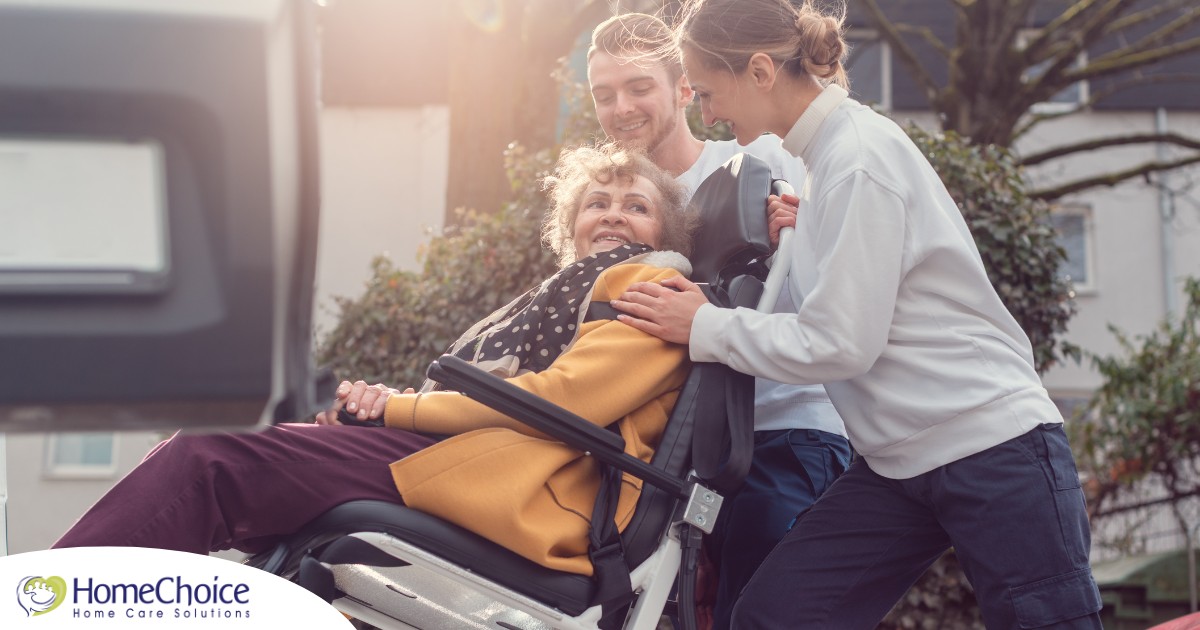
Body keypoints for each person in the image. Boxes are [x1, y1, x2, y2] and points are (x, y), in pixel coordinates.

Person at [610, 1, 1103, 628]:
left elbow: (842, 343)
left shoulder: (857, 158)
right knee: (774, 616)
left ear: (760, 71)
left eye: (708, 93)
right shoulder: (821, 168)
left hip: (990, 445)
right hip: (898, 465)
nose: (707, 115)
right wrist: (804, 227)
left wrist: (703, 325)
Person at [54, 143, 699, 577]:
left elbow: (561, 402)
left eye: (636, 206)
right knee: (238, 466)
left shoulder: (653, 288)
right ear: (571, 227)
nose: (613, 216)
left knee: (210, 455)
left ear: (664, 234)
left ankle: (38, 607)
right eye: (598, 204)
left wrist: (398, 408)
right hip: (475, 460)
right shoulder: (553, 298)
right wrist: (382, 413)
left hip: (532, 488)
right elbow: (491, 392)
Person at [587, 13, 850, 629]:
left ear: (686, 89)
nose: (620, 108)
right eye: (604, 95)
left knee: (759, 610)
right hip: (670, 457)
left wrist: (803, 230)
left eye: (638, 87)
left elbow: (829, 289)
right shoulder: (614, 204)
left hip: (780, 434)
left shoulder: (754, 158)